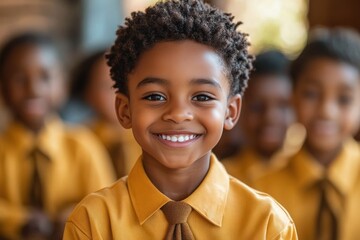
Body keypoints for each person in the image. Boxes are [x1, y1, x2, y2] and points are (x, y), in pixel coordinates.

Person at [63, 0, 297, 239]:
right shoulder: (93, 223)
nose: (177, 113)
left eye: (202, 96)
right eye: (155, 96)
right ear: (124, 110)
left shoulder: (268, 225)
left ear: (231, 111)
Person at [0, 32, 116, 239]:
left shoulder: (83, 145)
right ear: (2, 87)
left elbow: (106, 204)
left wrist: (75, 215)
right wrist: (21, 220)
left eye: (45, 77)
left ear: (63, 84)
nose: (33, 89)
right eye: (19, 78)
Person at [254, 28, 360, 240]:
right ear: (292, 96)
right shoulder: (261, 191)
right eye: (311, 94)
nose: (326, 111)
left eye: (344, 99)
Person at [221, 50, 300, 185]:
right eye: (257, 107)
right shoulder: (223, 177)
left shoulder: (305, 174)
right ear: (239, 107)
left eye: (283, 106)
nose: (270, 117)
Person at [65, 50, 141, 177]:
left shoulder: (149, 138)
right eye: (108, 86)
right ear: (87, 94)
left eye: (126, 84)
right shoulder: (79, 142)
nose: (120, 95)